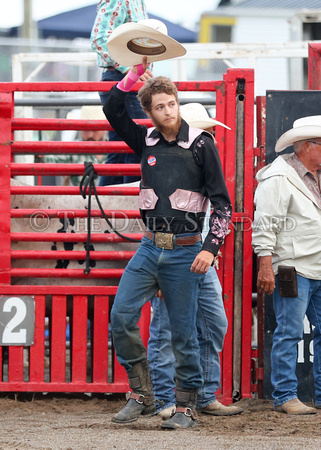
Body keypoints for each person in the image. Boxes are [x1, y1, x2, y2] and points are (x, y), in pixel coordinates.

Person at [103, 36, 232, 428]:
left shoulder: (201, 144)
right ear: (150, 112)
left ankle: (187, 404)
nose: (168, 111)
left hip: (185, 250)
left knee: (183, 333)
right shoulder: (145, 141)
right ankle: (142, 393)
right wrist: (133, 77)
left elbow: (223, 204)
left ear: (178, 103)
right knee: (121, 317)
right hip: (148, 247)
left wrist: (211, 247)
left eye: (172, 103)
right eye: (159, 107)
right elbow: (111, 108)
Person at [148, 103, 243, 419]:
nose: (210, 140)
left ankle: (203, 395)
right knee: (165, 330)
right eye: (206, 134)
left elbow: (219, 210)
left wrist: (210, 249)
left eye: (211, 135)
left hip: (201, 260)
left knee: (212, 323)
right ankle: (165, 399)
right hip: (174, 256)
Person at [252, 115, 321, 415]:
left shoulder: (307, 174)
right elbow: (265, 223)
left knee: (292, 331)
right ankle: (284, 395)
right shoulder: (279, 177)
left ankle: (303, 394)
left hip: (312, 264)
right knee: (289, 331)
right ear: (308, 146)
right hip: (292, 267)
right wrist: (265, 263)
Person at [90, 0, 150, 186]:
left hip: (124, 77)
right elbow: (99, 38)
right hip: (121, 78)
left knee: (120, 150)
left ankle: (105, 208)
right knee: (136, 144)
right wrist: (128, 69)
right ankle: (129, 206)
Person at [43, 105, 106, 186]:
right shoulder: (75, 148)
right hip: (82, 198)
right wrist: (41, 155)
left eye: (94, 130)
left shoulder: (114, 150)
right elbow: (52, 160)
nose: (90, 135)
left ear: (104, 130)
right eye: (86, 130)